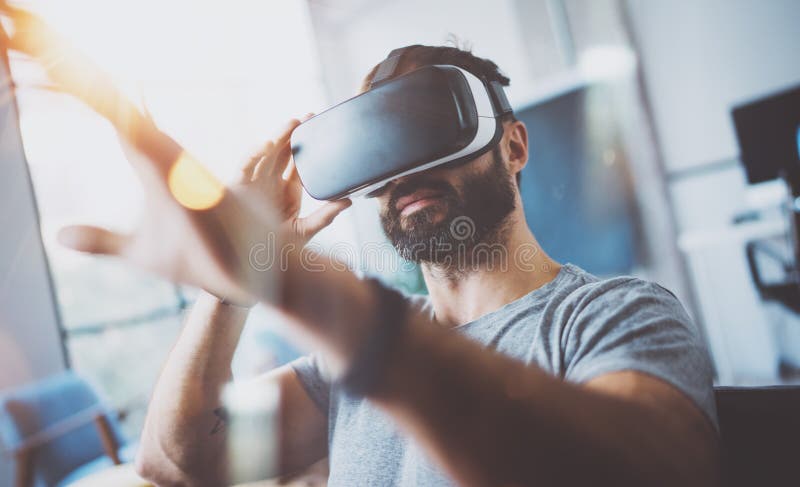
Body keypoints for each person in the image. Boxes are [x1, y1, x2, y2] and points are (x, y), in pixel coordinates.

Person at [1, 7, 719, 485]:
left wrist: (315, 294)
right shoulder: (337, 376)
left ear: (514, 145)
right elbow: (175, 462)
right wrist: (236, 279)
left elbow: (659, 469)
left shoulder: (610, 317)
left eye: (427, 127)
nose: (402, 170)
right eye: (380, 149)